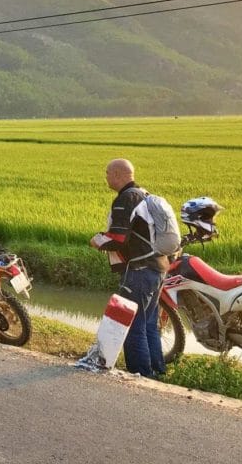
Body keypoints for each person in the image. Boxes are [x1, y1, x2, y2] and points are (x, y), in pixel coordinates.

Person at [89, 158, 166, 377]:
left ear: (117, 174)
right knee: (149, 324)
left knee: (133, 325)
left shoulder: (125, 198)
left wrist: (96, 241)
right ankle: (157, 371)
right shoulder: (144, 194)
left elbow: (118, 238)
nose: (105, 177)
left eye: (107, 173)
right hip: (158, 267)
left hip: (139, 270)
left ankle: (141, 375)